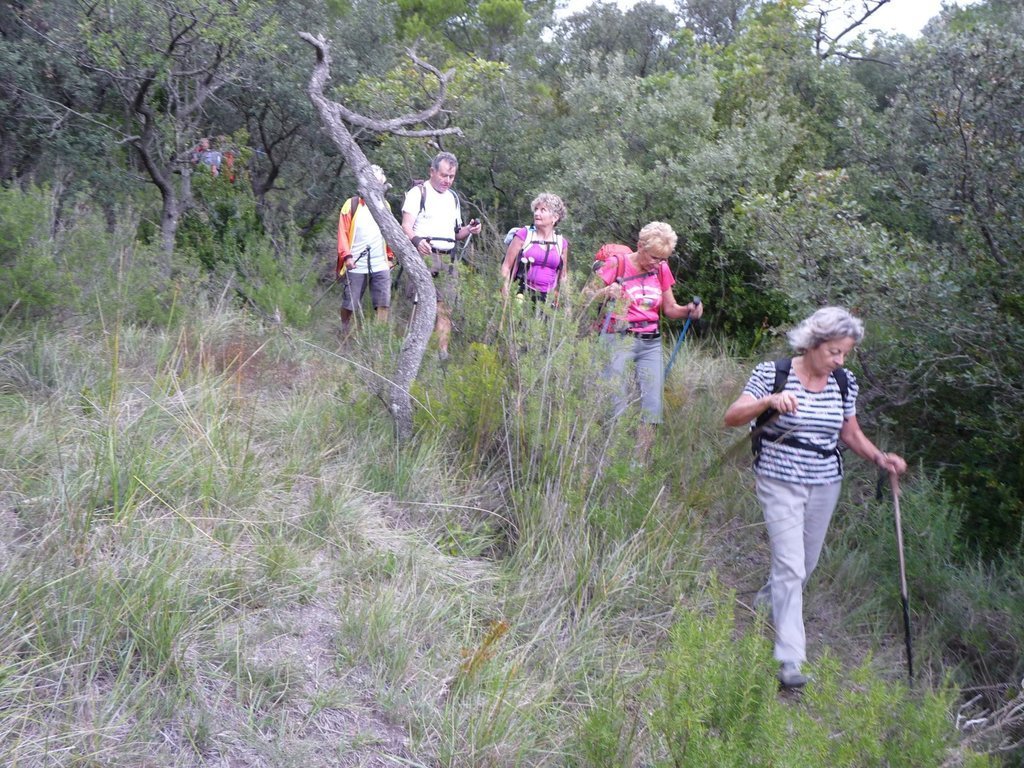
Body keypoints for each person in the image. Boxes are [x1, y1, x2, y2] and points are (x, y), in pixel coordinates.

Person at [723, 306, 908, 690]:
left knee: (803, 564)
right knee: (791, 566)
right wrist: (769, 402)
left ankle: (767, 599)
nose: (839, 360)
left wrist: (879, 458)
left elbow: (849, 432)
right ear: (812, 343)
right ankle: (790, 659)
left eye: (844, 353)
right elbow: (733, 416)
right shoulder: (773, 373)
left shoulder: (844, 382)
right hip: (778, 479)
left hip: (826, 482)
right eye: (834, 352)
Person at [584, 221, 703, 461]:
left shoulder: (661, 269)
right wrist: (605, 293)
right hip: (617, 338)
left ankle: (638, 466)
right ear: (640, 246)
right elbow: (585, 295)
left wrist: (689, 310)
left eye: (663, 258)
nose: (658, 263)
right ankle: (609, 460)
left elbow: (670, 309)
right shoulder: (616, 264)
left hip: (650, 342)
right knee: (614, 403)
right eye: (654, 257)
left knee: (652, 408)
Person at [401, 151, 482, 360]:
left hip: (448, 257)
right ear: (432, 172)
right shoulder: (418, 193)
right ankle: (414, 351)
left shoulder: (452, 198)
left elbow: (456, 233)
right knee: (422, 304)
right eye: (444, 175)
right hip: (424, 256)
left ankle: (442, 353)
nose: (447, 181)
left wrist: (470, 229)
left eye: (451, 176)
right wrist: (418, 241)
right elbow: (406, 226)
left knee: (445, 307)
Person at [338, 165, 395, 334]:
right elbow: (343, 232)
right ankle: (345, 331)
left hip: (380, 262)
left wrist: (390, 257)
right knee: (350, 304)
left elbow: (390, 233)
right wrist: (347, 257)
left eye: (378, 183)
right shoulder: (352, 204)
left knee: (383, 302)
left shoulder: (386, 206)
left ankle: (378, 337)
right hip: (355, 262)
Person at [500, 193, 570, 305]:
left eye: (543, 210)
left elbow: (563, 276)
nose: (537, 213)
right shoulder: (523, 234)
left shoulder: (561, 243)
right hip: (520, 294)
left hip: (547, 301)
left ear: (555, 217)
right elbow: (506, 266)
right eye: (536, 209)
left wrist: (565, 303)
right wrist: (505, 295)